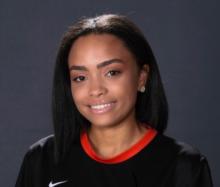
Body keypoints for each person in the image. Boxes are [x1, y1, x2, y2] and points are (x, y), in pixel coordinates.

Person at [15, 14, 213, 187]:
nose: (96, 90)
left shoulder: (184, 166)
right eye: (80, 78)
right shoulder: (42, 159)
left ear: (141, 77)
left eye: (112, 72)